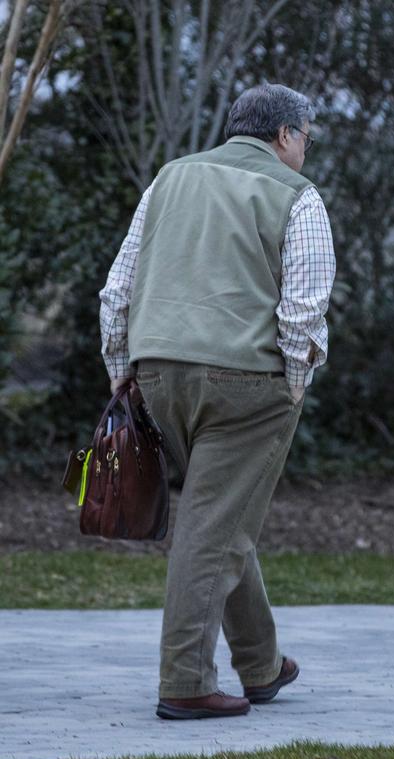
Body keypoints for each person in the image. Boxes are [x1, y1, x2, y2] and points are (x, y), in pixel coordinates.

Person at [98, 83, 336, 720]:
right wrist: (293, 382)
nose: (305, 152)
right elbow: (305, 307)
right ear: (285, 135)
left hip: (157, 374)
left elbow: (117, 289)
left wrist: (123, 371)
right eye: (305, 139)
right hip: (247, 383)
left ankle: (260, 663)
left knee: (218, 516)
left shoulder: (169, 179)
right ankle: (184, 683)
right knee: (213, 529)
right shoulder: (297, 196)